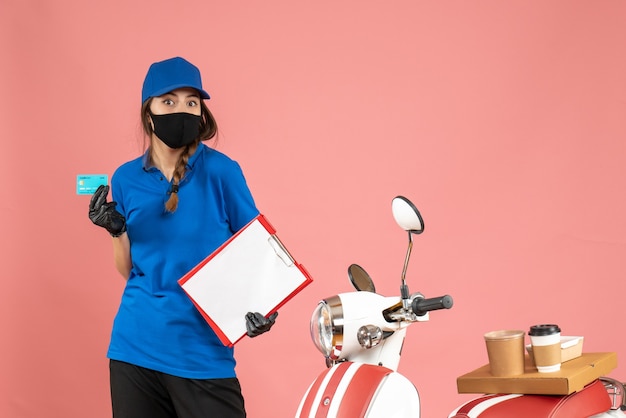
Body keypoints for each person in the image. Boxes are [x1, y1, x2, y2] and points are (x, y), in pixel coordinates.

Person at [88, 56, 277, 418]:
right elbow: (129, 270)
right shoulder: (125, 178)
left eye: (192, 102)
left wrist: (264, 305)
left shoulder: (222, 171)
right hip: (134, 347)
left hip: (202, 352)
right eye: (169, 101)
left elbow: (258, 249)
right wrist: (117, 231)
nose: (182, 110)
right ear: (149, 113)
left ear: (202, 114)